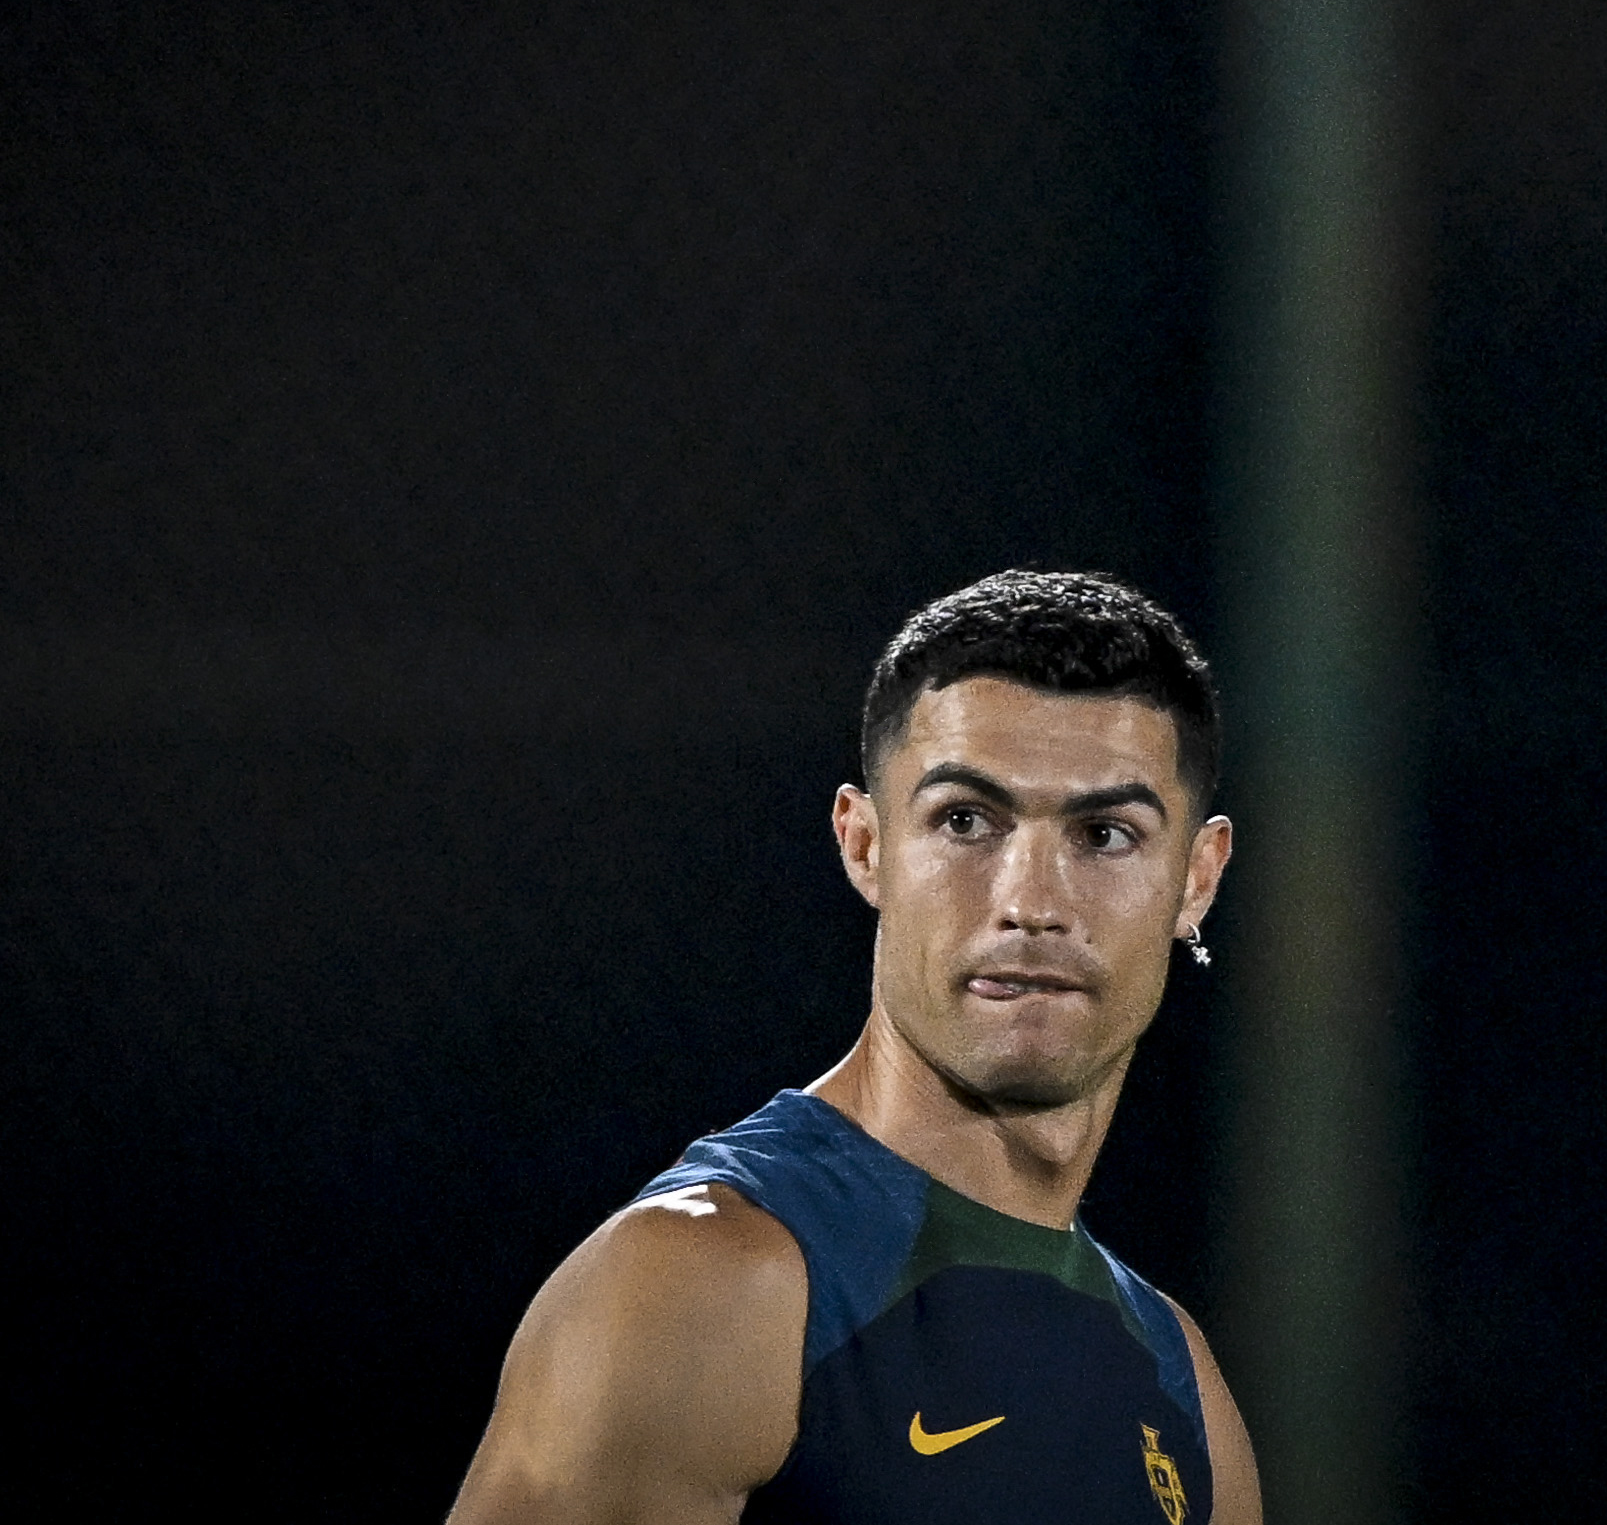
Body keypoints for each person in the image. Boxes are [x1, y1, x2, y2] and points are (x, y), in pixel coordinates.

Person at [447, 570, 1260, 1525]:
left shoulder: (1181, 1390)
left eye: (1104, 834)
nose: (1032, 902)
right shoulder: (701, 1290)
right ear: (864, 845)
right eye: (965, 821)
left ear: (1196, 879)